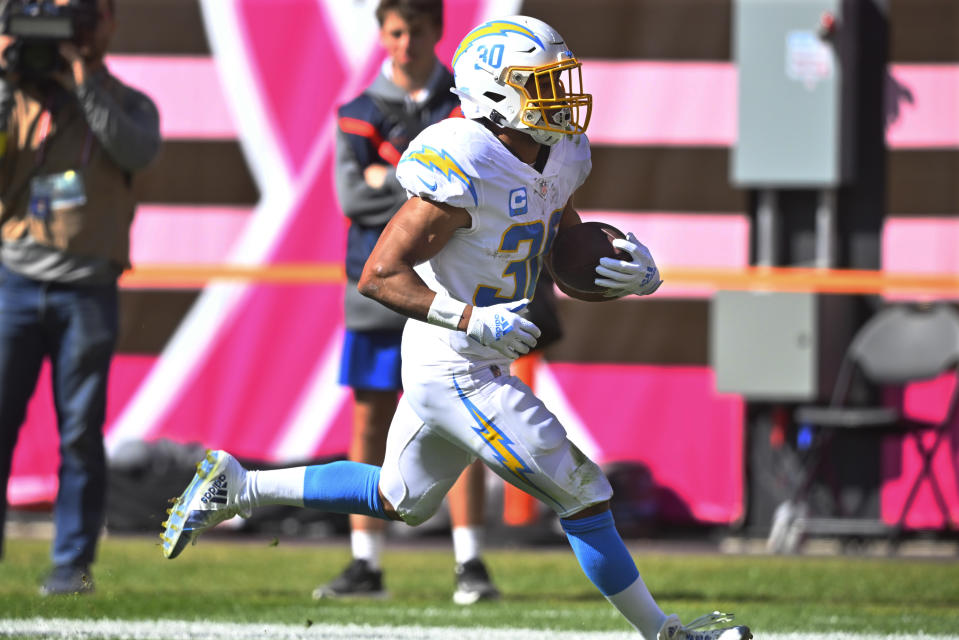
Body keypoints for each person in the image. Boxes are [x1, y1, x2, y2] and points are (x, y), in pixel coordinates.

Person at [160, 15, 751, 640]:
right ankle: (667, 634)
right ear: (497, 91)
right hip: (454, 358)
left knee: (399, 499)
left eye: (559, 80)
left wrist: (622, 270)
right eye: (542, 83)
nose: (562, 96)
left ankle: (240, 485)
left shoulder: (560, 152)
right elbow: (380, 273)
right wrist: (470, 316)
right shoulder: (463, 155)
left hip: (474, 353)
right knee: (584, 494)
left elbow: (556, 237)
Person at [328, 0, 498, 604]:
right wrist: (430, 183)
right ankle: (364, 561)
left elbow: (481, 192)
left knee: (467, 422)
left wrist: (389, 173)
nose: (406, 43)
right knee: (370, 418)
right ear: (382, 35)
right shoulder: (355, 113)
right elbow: (353, 199)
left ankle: (470, 561)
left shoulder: (468, 105)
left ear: (437, 32)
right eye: (396, 32)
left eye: (417, 31)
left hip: (452, 289)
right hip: (377, 288)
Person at [0, 0, 160, 596]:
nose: (74, 27)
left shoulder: (129, 101)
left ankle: (70, 566)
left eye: (85, 15)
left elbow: (135, 150)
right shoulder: (16, 96)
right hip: (13, 282)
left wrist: (82, 76)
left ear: (110, 21)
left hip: (88, 288)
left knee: (79, 435)